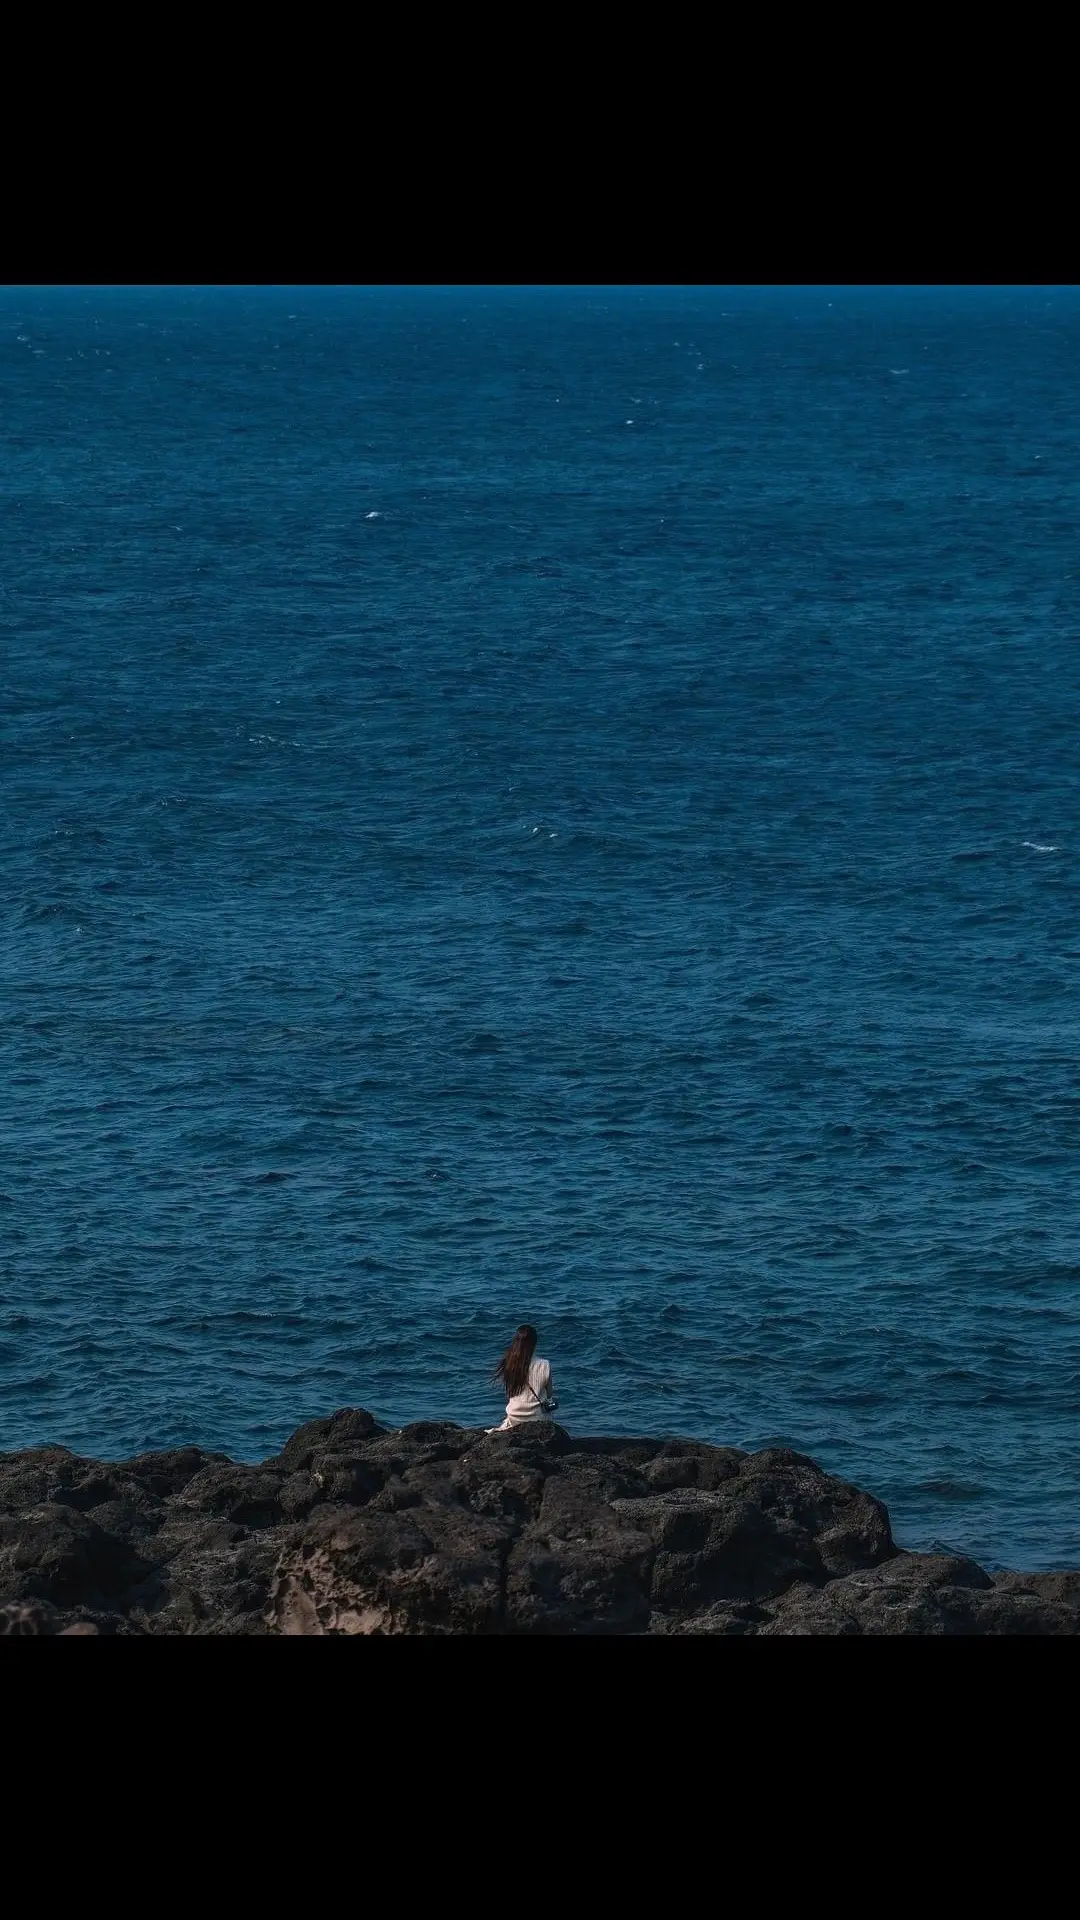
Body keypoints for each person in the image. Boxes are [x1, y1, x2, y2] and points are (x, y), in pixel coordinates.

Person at [487, 1323, 558, 1431]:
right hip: (536, 1418)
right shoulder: (544, 1364)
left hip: (514, 1416)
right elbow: (549, 1395)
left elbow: (510, 1392)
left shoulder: (510, 1363)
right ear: (534, 1343)